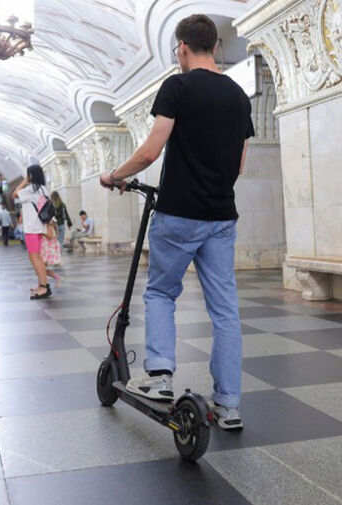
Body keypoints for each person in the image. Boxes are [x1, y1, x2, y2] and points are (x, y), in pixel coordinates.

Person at [98, 15, 254, 430]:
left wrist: (114, 175)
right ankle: (229, 404)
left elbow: (151, 151)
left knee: (162, 293)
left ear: (182, 47)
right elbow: (238, 164)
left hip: (179, 214)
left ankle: (162, 376)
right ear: (216, 47)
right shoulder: (240, 96)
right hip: (221, 218)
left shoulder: (177, 87)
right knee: (225, 311)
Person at [12, 164, 52, 299]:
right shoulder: (43, 189)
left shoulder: (31, 189)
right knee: (35, 257)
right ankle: (42, 284)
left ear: (31, 176)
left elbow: (14, 193)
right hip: (39, 227)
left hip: (32, 229)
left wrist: (24, 180)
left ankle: (44, 287)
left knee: (35, 257)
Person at [41, 218, 63, 287]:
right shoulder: (49, 228)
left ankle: (58, 277)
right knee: (41, 269)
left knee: (41, 269)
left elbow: (49, 237)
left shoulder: (49, 228)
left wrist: (42, 233)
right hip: (46, 251)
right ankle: (41, 284)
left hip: (47, 252)